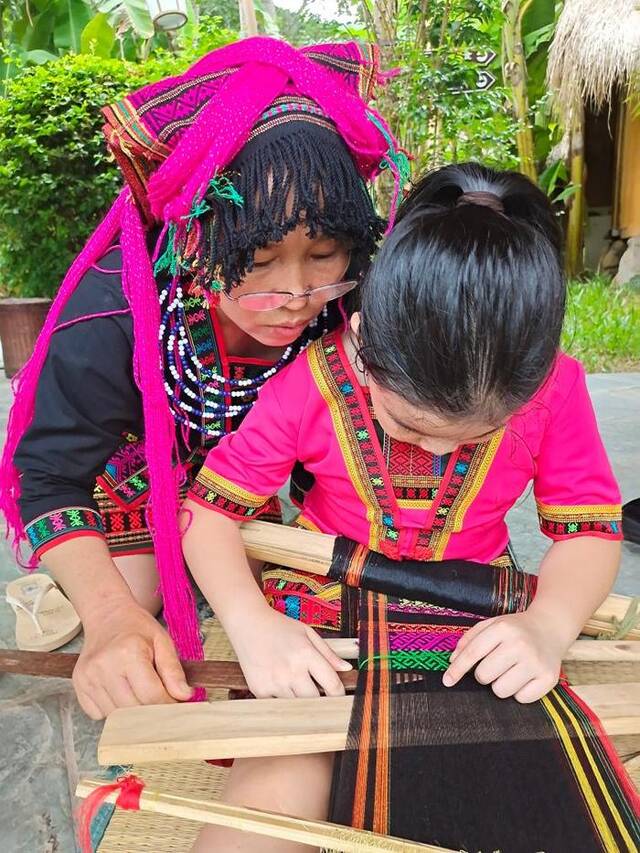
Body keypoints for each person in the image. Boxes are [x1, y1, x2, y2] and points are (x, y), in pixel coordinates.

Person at [182, 162, 623, 852]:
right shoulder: (315, 382)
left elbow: (590, 529)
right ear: (363, 341)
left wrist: (549, 624)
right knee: (276, 791)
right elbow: (208, 512)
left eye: (468, 436)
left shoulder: (554, 389)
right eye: (409, 426)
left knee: (536, 788)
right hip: (324, 609)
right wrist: (250, 622)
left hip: (474, 613)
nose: (436, 448)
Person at [0, 36, 408, 720]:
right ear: (193, 237)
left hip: (252, 462)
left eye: (325, 251)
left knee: (294, 584)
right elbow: (46, 477)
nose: (298, 293)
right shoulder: (111, 315)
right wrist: (109, 618)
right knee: (139, 600)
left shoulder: (352, 296)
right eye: (258, 256)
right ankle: (66, 588)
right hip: (134, 462)